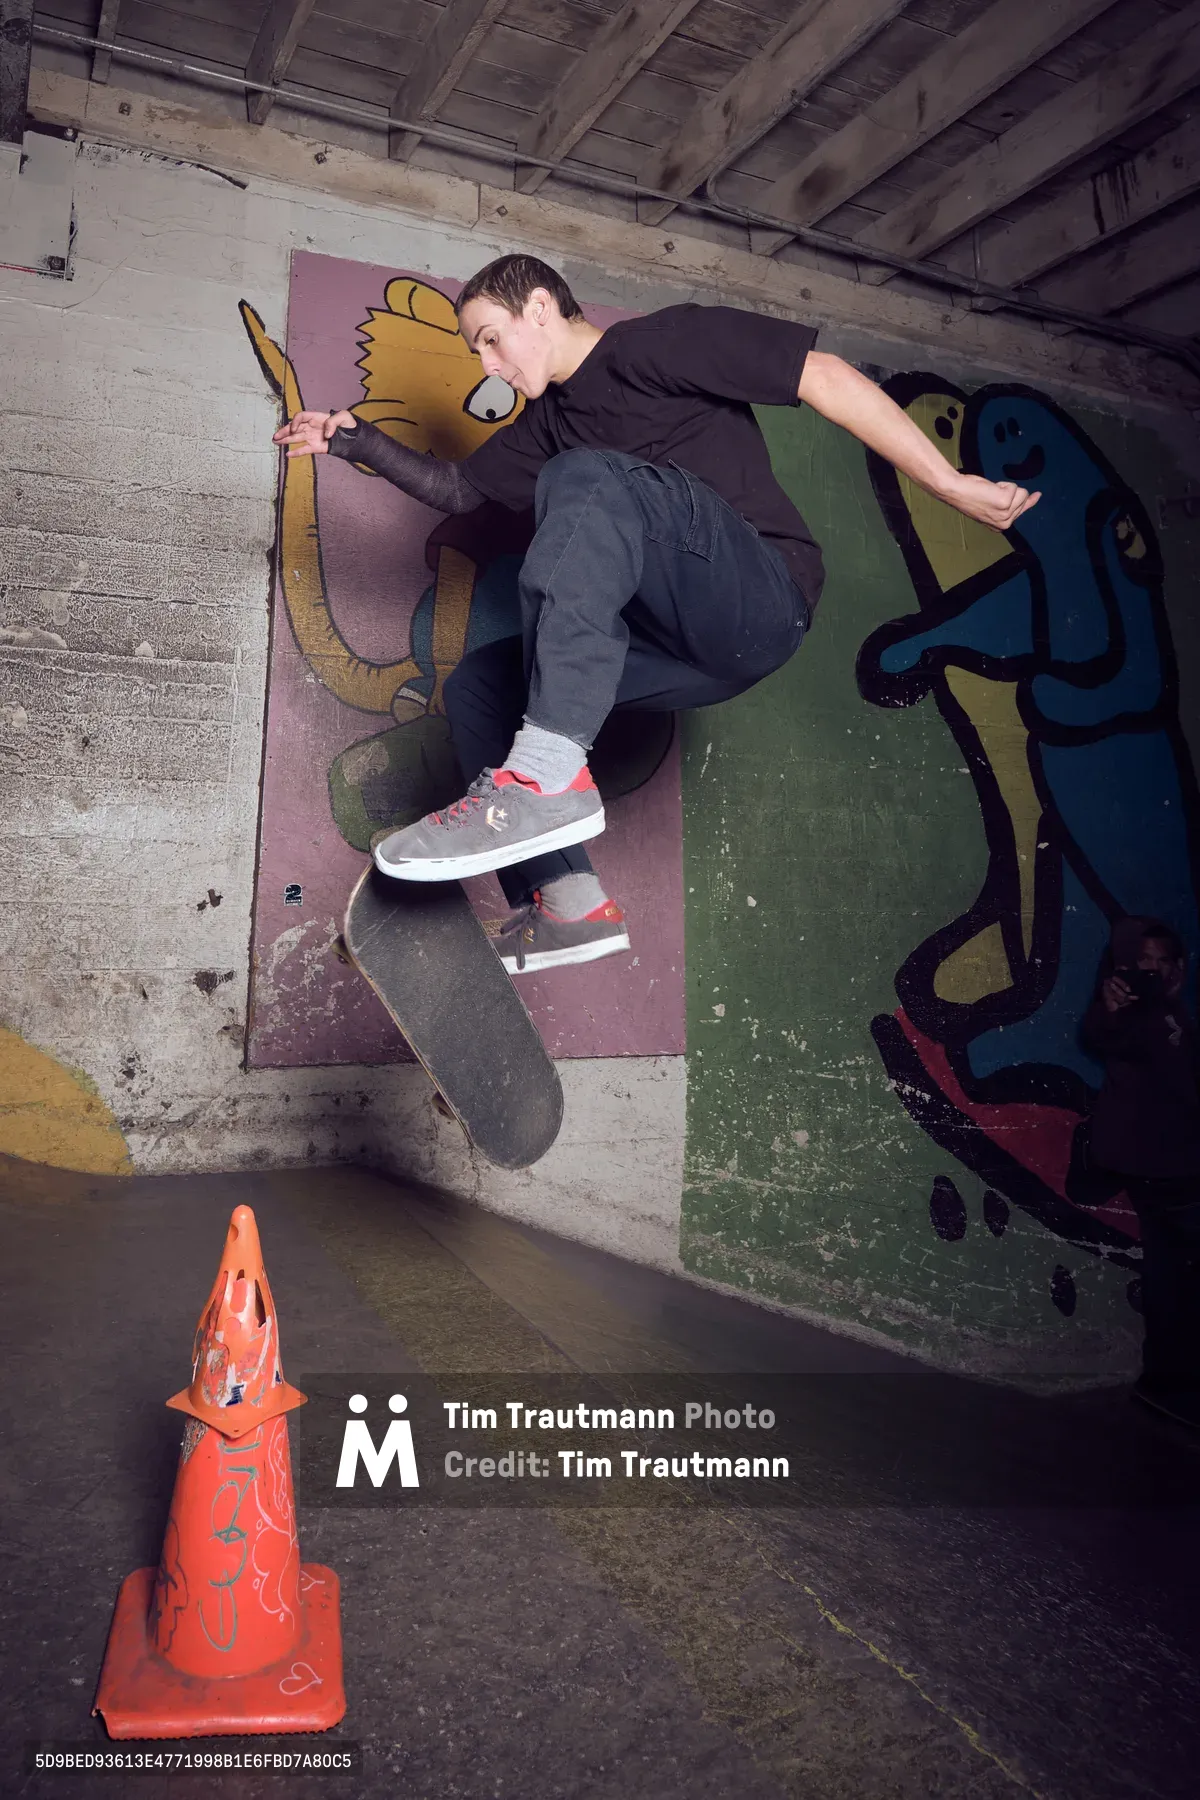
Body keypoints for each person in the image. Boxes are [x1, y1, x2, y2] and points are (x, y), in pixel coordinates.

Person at [273, 254, 1038, 974]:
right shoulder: (547, 429)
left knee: (584, 482)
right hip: (685, 656)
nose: (489, 367)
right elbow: (457, 489)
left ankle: (544, 779)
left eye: (491, 340)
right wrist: (357, 441)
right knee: (481, 683)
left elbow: (824, 376)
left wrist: (952, 485)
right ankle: (567, 902)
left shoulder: (661, 343)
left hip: (762, 594)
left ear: (539, 307)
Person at [1081, 917, 1200, 1425]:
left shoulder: (1172, 1011)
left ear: (1179, 967)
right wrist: (1111, 1010)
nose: (1152, 970)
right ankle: (1170, 1385)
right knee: (1178, 1281)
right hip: (1166, 1168)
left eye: (1162, 961)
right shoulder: (1135, 1014)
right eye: (1142, 962)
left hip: (1169, 1165)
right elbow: (1104, 1034)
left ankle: (1163, 1385)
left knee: (1171, 1277)